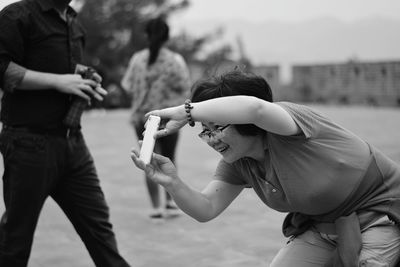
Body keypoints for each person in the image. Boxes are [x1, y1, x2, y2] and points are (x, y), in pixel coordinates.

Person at [131, 69, 400, 266]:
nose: (211, 139)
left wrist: (187, 111)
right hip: (323, 229)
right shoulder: (238, 162)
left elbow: (256, 110)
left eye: (218, 127)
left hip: (381, 215)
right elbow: (206, 208)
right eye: (205, 130)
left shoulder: (290, 124)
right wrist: (171, 182)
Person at [0, 0, 130, 266]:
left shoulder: (72, 20)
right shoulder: (17, 15)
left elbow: (58, 65)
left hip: (73, 143)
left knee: (100, 232)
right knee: (16, 239)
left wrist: (83, 75)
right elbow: (3, 70)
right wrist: (60, 82)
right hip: (28, 143)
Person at [121, 17, 190, 220]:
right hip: (167, 118)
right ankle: (170, 203)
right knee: (169, 157)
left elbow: (128, 86)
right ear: (167, 36)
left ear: (146, 35)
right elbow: (185, 87)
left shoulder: (137, 59)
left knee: (147, 158)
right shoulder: (175, 60)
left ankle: (155, 206)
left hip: (142, 117)